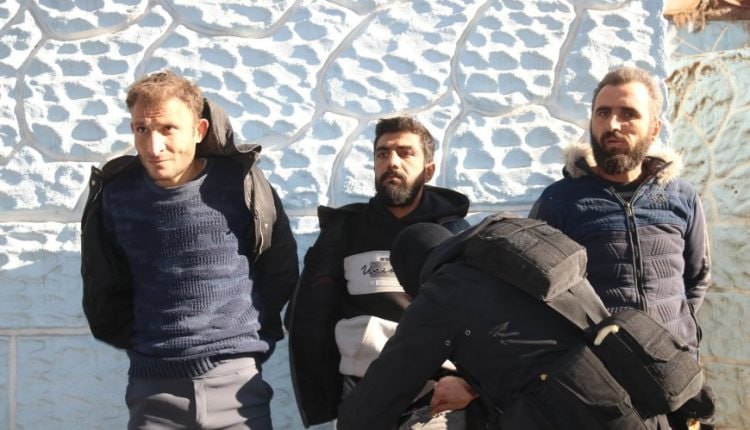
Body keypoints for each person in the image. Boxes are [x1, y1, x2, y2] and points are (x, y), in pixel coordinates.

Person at [80, 70, 299, 429]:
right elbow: (104, 283)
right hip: (153, 390)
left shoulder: (241, 185)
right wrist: (149, 348)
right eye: (141, 129)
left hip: (239, 388)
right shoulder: (116, 194)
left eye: (168, 128)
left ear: (199, 130)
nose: (154, 146)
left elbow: (279, 270)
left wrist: (240, 343)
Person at [337, 221, 669, 430]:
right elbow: (535, 347)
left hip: (580, 414)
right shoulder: (511, 255)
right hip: (640, 398)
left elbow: (378, 397)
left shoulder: (444, 291)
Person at [528, 66, 712, 429]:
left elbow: (696, 279)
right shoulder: (559, 201)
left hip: (674, 379)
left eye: (628, 114)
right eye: (603, 113)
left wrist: (672, 332)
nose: (612, 125)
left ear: (654, 128)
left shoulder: (681, 197)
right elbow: (537, 293)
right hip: (597, 388)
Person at [285, 116, 472, 428]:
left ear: (428, 170)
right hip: (362, 396)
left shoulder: (455, 236)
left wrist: (470, 383)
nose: (392, 162)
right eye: (383, 153)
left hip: (435, 398)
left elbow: (481, 317)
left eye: (406, 153)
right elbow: (309, 314)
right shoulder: (345, 231)